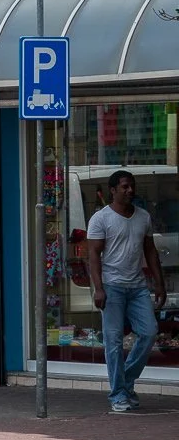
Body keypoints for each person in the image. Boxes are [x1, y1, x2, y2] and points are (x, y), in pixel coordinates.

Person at [85, 169, 167, 412]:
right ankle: (119, 394)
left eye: (132, 186)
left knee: (149, 331)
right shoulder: (101, 219)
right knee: (113, 341)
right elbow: (93, 256)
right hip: (112, 286)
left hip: (138, 285)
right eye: (124, 187)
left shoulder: (143, 216)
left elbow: (150, 251)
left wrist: (159, 283)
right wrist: (99, 288)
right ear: (113, 190)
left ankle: (125, 382)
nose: (130, 190)